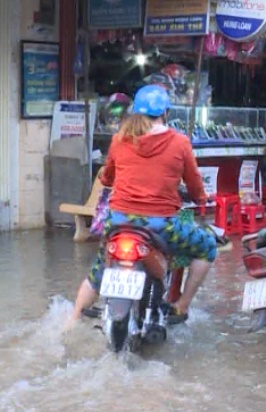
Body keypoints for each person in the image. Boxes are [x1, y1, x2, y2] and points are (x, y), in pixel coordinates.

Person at [70, 85, 215, 323]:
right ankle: (181, 306)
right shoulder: (180, 143)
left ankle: (72, 321)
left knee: (98, 271)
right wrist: (201, 199)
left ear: (135, 111)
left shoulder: (120, 140)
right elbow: (195, 183)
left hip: (118, 222)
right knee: (208, 246)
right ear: (165, 112)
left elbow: (106, 177)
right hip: (161, 226)